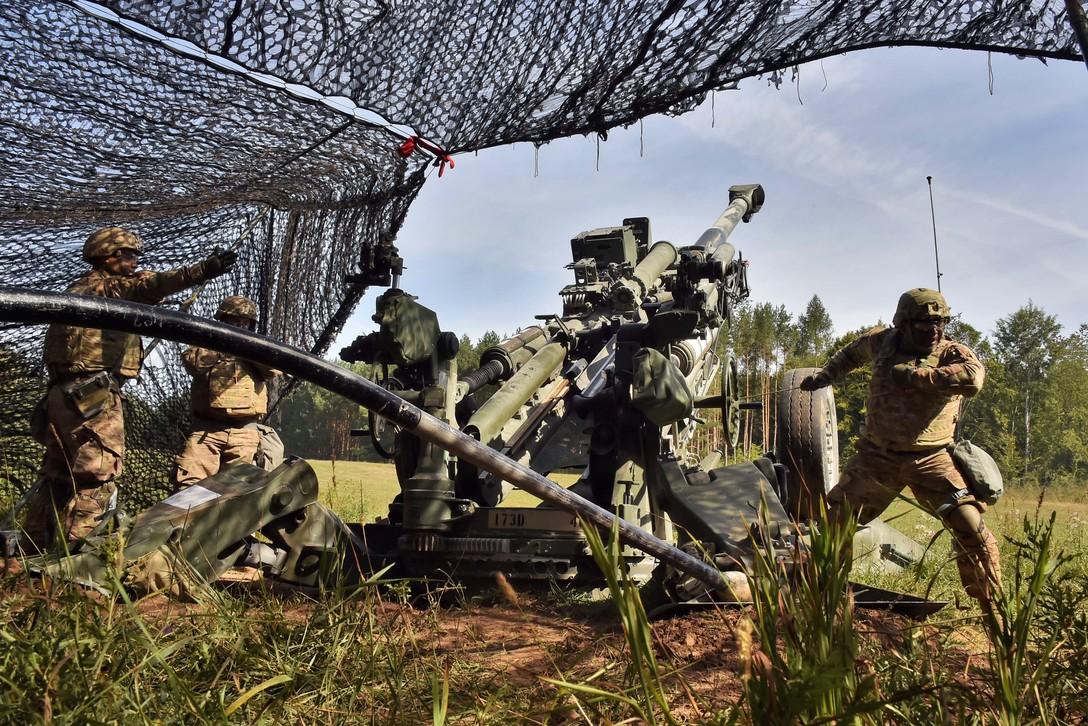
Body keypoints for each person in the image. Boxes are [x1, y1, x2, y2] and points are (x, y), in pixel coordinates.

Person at [24, 226, 237, 551]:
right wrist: (203, 270)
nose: (136, 262)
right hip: (93, 396)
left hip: (60, 396)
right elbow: (152, 284)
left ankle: (30, 550)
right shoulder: (112, 286)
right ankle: (72, 559)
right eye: (131, 255)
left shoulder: (78, 288)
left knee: (57, 476)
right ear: (110, 257)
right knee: (97, 476)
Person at [801, 288, 1002, 608]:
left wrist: (920, 376)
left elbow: (973, 379)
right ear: (903, 323)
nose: (934, 331)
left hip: (932, 460)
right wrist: (825, 376)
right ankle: (824, 603)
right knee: (834, 527)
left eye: (941, 323)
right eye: (925, 324)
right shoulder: (882, 341)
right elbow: (851, 355)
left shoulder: (951, 352)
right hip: (876, 459)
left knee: (971, 527)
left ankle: (993, 610)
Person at [173, 295, 279, 488]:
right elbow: (193, 363)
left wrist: (247, 347)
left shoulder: (257, 347)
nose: (240, 325)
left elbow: (272, 369)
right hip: (206, 431)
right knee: (187, 490)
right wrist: (222, 344)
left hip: (244, 433)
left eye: (245, 322)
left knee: (238, 494)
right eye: (234, 320)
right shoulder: (207, 343)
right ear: (223, 320)